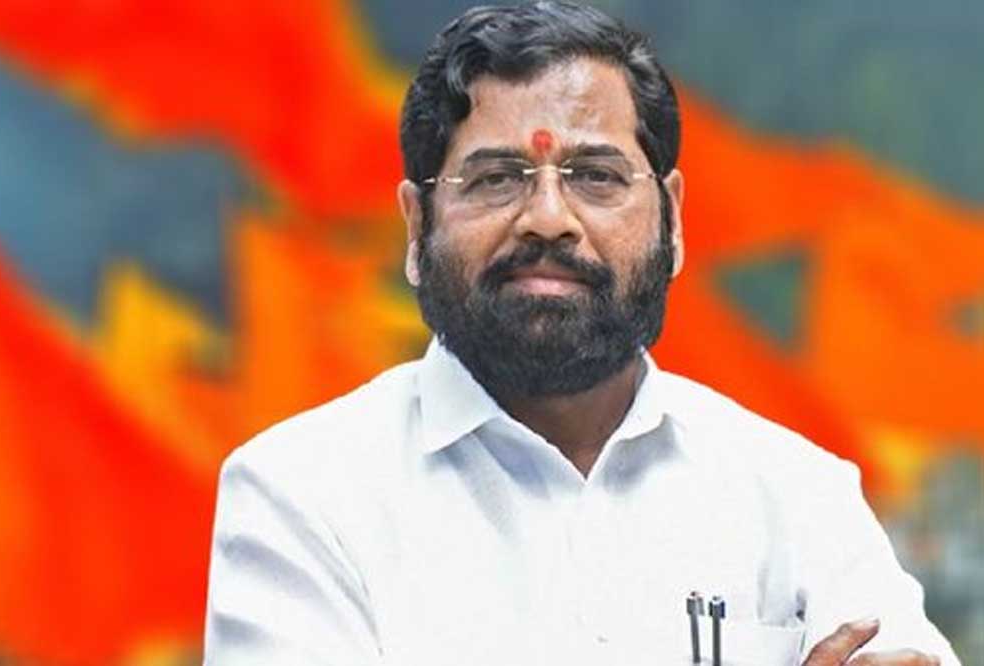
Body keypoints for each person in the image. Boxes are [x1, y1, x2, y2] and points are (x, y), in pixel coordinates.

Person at [202, 3, 960, 664]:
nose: (547, 219)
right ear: (415, 225)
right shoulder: (301, 493)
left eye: (596, 176)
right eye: (496, 179)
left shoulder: (797, 493)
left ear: (672, 220)